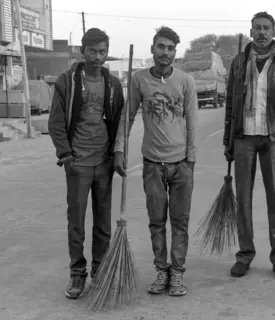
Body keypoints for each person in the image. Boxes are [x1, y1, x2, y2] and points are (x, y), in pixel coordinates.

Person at [113, 26, 197, 297]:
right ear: (152, 49)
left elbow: (193, 121)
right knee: (157, 222)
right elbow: (128, 117)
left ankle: (178, 274)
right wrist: (119, 150)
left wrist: (191, 159)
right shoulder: (139, 80)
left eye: (171, 48)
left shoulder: (186, 81)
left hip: (181, 163)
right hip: (152, 165)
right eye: (161, 46)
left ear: (175, 52)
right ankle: (162, 271)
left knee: (180, 222)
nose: (166, 52)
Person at [48, 28, 125, 299]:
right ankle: (77, 274)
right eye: (93, 51)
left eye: (102, 51)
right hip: (78, 163)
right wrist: (66, 156)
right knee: (77, 223)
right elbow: (56, 123)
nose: (98, 56)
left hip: (103, 163)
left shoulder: (113, 84)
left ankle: (101, 270)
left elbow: (120, 124)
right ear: (83, 51)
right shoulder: (67, 81)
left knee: (103, 223)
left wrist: (118, 153)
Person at [223, 11, 275, 280]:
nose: (262, 32)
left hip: (273, 139)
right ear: (251, 31)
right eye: (257, 28)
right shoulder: (239, 61)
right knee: (243, 200)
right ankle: (245, 254)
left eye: (266, 28)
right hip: (243, 138)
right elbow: (231, 103)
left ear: (274, 32)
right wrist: (227, 140)